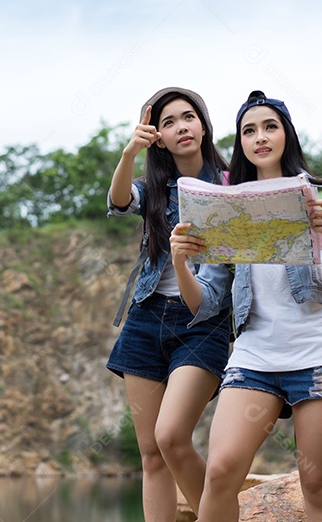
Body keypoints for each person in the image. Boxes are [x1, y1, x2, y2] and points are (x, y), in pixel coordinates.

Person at [169, 90, 322, 522]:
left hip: (320, 351)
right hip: (255, 355)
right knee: (220, 474)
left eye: (270, 127)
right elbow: (205, 302)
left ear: (287, 135)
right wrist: (180, 263)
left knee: (318, 486)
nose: (260, 137)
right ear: (241, 143)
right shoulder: (227, 206)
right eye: (249, 131)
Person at [106, 86, 234, 522]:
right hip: (146, 318)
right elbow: (120, 202)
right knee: (151, 452)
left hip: (203, 322)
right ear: (157, 137)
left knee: (172, 437)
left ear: (204, 124)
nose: (181, 127)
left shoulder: (231, 184)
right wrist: (130, 152)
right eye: (168, 122)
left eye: (188, 117)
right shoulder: (155, 188)